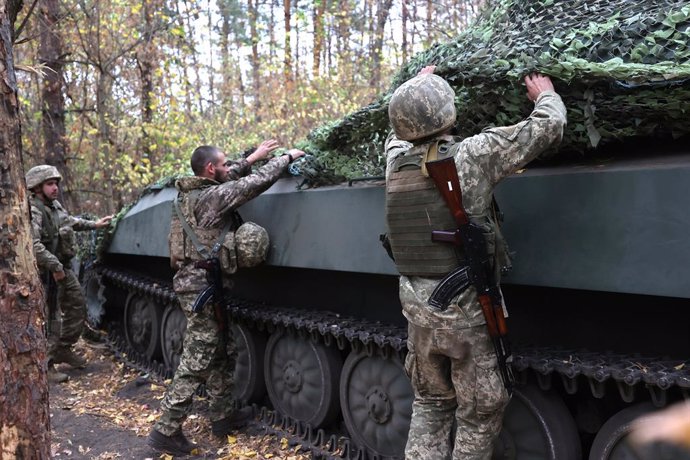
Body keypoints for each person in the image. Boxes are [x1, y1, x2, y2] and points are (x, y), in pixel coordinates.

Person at [385, 67, 566, 459]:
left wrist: (414, 88)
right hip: (465, 314)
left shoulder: (395, 164)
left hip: (417, 312)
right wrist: (545, 94)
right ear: (447, 112)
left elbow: (393, 138)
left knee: (430, 404)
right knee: (480, 413)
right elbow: (549, 127)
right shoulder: (472, 155)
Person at [148, 140, 305, 456]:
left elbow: (232, 174)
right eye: (223, 163)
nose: (228, 166)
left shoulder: (190, 194)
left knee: (221, 348)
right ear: (210, 170)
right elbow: (251, 185)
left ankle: (222, 416)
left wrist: (253, 157)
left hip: (199, 285)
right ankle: (165, 429)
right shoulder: (213, 197)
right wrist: (285, 158)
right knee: (197, 359)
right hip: (201, 288)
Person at [26, 165, 113, 384]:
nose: (55, 188)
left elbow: (69, 222)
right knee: (52, 318)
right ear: (37, 187)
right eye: (49, 184)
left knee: (78, 308)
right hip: (47, 272)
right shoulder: (34, 210)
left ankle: (63, 349)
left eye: (56, 183)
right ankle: (47, 364)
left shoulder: (54, 206)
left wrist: (94, 224)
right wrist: (54, 267)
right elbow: (33, 244)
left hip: (62, 269)